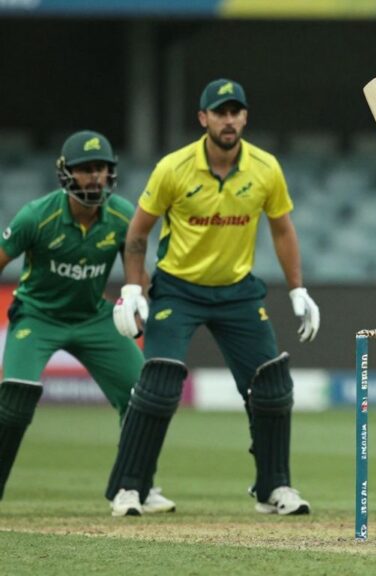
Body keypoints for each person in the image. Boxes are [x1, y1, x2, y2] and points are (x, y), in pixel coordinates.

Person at [105, 79, 320, 517]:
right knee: (160, 384)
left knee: (272, 388)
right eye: (219, 112)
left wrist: (298, 289)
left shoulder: (265, 168)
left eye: (235, 111)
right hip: (178, 288)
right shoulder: (174, 167)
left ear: (244, 117)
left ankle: (273, 488)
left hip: (238, 291)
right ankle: (130, 488)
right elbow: (137, 233)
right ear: (203, 118)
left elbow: (282, 230)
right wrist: (131, 287)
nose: (228, 119)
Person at [0, 130, 174, 514]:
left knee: (142, 394)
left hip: (92, 316)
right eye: (85, 170)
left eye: (101, 168)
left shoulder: (122, 215)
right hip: (38, 315)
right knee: (14, 398)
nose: (94, 177)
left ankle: (138, 485)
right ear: (66, 174)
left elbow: (137, 272)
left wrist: (142, 299)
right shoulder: (37, 215)